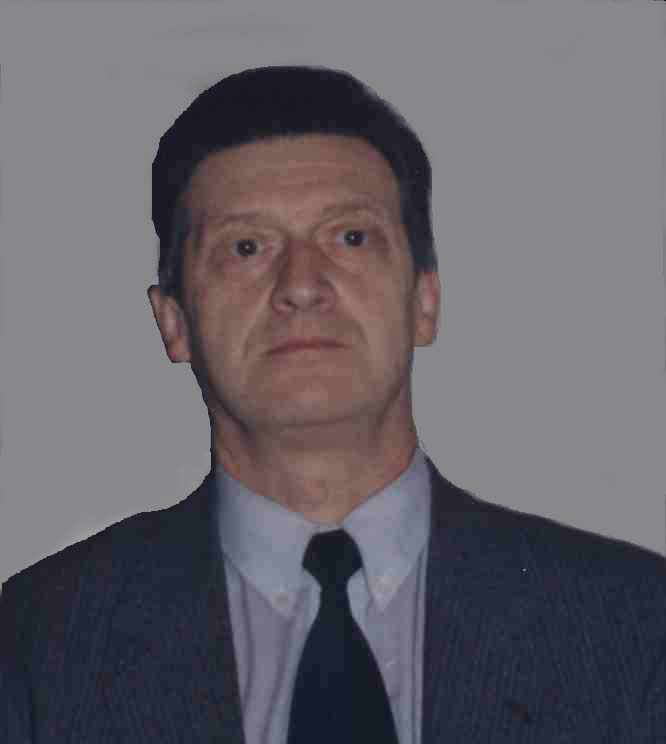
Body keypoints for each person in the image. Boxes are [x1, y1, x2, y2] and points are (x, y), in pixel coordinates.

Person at [1, 65, 664, 744]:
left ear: (424, 301)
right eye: (246, 247)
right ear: (174, 322)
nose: (302, 284)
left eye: (350, 237)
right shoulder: (32, 645)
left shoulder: (636, 627)